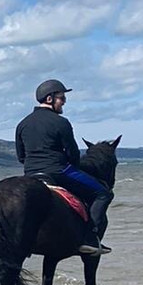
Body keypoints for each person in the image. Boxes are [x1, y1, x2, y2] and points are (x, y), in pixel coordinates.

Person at [15, 79, 113, 255]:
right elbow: (73, 154)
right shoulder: (61, 122)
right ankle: (90, 238)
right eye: (62, 98)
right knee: (103, 193)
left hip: (30, 174)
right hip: (59, 171)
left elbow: (21, 156)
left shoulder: (22, 124)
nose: (64, 102)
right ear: (50, 99)